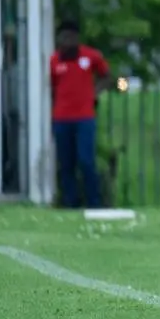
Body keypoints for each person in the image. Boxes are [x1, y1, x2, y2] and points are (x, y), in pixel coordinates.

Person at [50, 19, 111, 208]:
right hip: (61, 118)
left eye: (71, 37)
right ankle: (71, 203)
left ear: (77, 38)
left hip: (85, 117)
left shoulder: (91, 56)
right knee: (66, 163)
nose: (67, 41)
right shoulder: (54, 60)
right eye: (64, 37)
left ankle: (94, 203)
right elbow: (52, 87)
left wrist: (95, 93)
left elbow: (107, 76)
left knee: (86, 161)